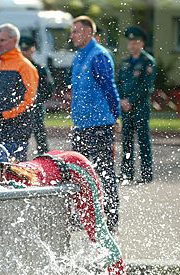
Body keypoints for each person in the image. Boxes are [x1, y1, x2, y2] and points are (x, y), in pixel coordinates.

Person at [0, 143, 128, 275]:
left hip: (76, 168)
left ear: (4, 168)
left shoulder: (23, 185)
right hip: (52, 161)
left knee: (97, 233)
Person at [69, 16, 121, 234]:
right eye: (71, 31)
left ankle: (110, 217)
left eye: (75, 31)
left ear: (88, 32)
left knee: (104, 171)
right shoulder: (79, 56)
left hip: (99, 124)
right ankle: (84, 215)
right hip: (81, 124)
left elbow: (109, 87)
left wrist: (116, 114)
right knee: (78, 171)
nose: (71, 36)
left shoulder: (98, 55)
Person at [0, 24, 39, 162]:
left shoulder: (26, 66)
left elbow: (29, 102)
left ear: (14, 41)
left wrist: (1, 117)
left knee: (15, 178)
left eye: (3, 40)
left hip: (16, 136)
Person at [117, 26, 156, 184]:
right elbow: (119, 83)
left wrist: (130, 101)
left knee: (143, 140)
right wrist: (121, 100)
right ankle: (127, 173)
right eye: (130, 43)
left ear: (142, 43)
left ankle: (146, 174)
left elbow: (146, 87)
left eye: (135, 42)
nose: (132, 46)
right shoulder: (125, 62)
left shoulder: (148, 62)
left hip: (139, 107)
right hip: (125, 108)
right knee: (126, 141)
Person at [19, 36, 55, 155]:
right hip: (19, 107)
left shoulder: (40, 68)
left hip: (36, 106)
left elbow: (49, 88)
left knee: (39, 134)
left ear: (33, 50)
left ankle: (43, 157)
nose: (24, 53)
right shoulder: (17, 68)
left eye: (27, 49)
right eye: (22, 50)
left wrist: (38, 100)